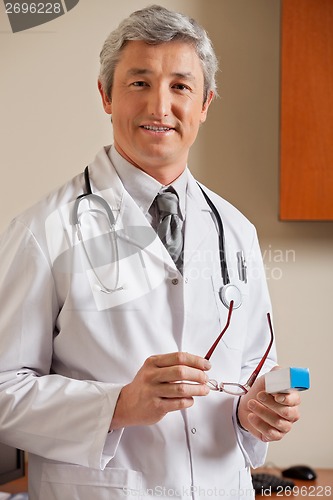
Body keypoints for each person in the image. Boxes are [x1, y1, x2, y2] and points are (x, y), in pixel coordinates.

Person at [0, 5, 301, 500]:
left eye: (180, 86)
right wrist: (117, 405)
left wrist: (254, 410)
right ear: (106, 96)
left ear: (205, 103)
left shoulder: (236, 231)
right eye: (139, 83)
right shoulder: (43, 230)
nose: (160, 107)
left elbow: (254, 366)